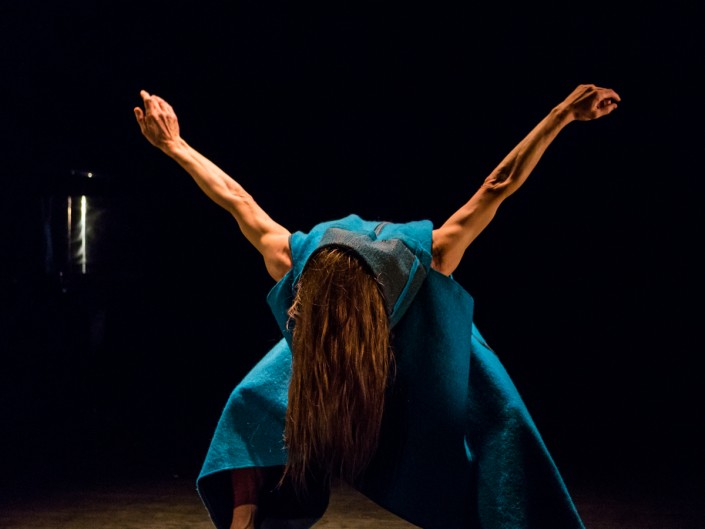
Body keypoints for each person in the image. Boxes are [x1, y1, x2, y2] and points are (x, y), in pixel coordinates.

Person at [134, 83, 620, 529]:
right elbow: (498, 184)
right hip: (331, 327)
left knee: (498, 415)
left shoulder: (317, 257)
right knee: (252, 400)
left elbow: (235, 198)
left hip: (419, 345)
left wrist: (174, 145)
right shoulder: (419, 256)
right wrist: (560, 115)